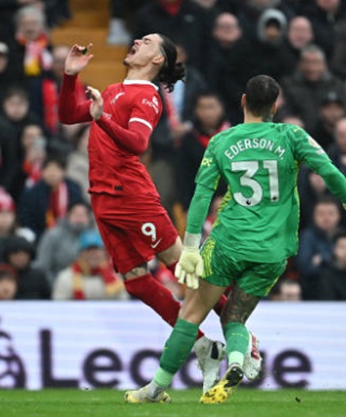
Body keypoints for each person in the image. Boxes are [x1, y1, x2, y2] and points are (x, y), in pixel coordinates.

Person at [124, 75, 346, 404]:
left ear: (243, 101)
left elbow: (202, 195)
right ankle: (238, 362)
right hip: (273, 250)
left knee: (192, 312)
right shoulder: (291, 136)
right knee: (235, 317)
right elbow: (329, 171)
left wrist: (189, 246)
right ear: (275, 105)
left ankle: (155, 388)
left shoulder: (221, 142)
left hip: (228, 243)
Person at [58, 34, 249, 392]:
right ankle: (202, 346)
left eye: (146, 41)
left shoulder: (146, 95)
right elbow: (68, 115)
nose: (136, 41)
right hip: (102, 196)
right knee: (135, 281)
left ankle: (242, 337)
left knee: (182, 267)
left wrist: (101, 121)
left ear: (157, 59)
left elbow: (137, 143)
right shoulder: (113, 89)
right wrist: (70, 76)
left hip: (131, 194)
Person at [52, 229, 128, 300]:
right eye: (88, 250)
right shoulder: (65, 278)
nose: (93, 254)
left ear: (103, 252)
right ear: (80, 254)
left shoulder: (116, 279)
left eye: (96, 250)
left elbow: (123, 308)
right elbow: (59, 309)